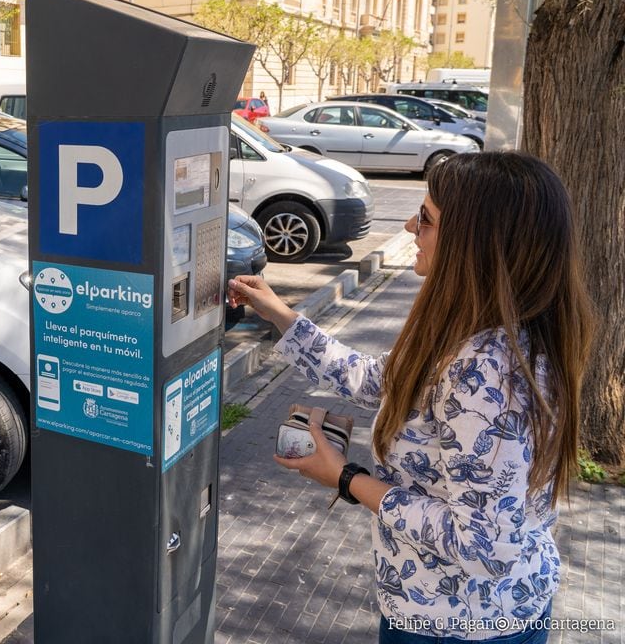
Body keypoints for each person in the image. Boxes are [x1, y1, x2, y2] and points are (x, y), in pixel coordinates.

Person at [227, 151, 593, 643]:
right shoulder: (467, 329)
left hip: (458, 626)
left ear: (475, 244)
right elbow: (375, 380)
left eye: (426, 218)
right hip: (443, 610)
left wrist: (345, 477)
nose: (408, 226)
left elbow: (484, 546)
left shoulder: (489, 372)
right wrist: (280, 315)